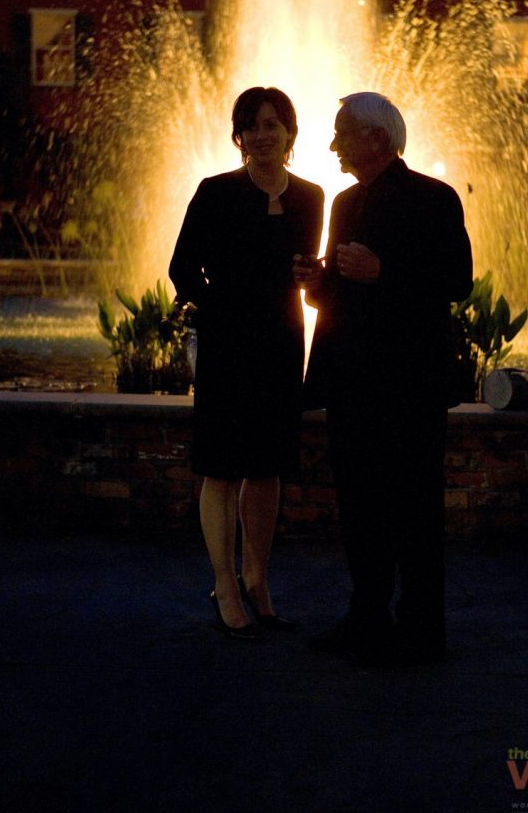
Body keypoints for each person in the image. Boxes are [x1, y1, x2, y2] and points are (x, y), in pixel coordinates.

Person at [293, 91, 473, 666]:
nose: (332, 144)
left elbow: (457, 279)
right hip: (353, 379)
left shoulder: (434, 197)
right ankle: (366, 617)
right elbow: (340, 293)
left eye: (342, 132)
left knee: (415, 506)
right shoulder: (345, 204)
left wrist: (383, 271)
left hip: (410, 383)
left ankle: (421, 630)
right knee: (361, 505)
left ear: (377, 138)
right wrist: (314, 282)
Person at [170, 86, 323, 640]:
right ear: (239, 135)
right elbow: (182, 269)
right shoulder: (215, 193)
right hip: (228, 344)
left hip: (282, 339)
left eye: (273, 124)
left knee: (267, 465)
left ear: (289, 133)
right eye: (252, 125)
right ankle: (224, 585)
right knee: (222, 464)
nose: (263, 134)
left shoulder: (312, 195)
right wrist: (220, 310)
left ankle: (258, 581)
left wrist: (315, 278)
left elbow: (304, 269)